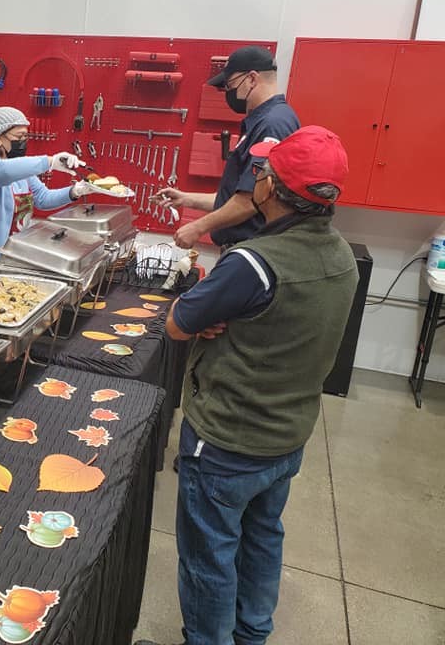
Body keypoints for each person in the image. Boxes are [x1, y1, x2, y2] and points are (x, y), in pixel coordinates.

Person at [135, 126, 358, 645]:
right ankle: (251, 634)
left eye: (262, 171)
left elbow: (177, 323)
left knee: (209, 555)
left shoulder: (253, 264)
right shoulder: (341, 256)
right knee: (262, 539)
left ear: (273, 190)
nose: (255, 177)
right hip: (286, 434)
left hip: (228, 439)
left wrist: (211, 315)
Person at [156, 45, 300, 250]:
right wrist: (187, 199)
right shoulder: (264, 120)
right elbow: (235, 197)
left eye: (230, 85)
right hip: (245, 248)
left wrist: (197, 227)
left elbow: (250, 200)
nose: (227, 92)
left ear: (251, 79)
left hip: (251, 249)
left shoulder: (272, 125)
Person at [0, 106, 90, 279]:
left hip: (13, 253)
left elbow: (43, 199)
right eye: (19, 136)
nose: (23, 141)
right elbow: (2, 172)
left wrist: (74, 191)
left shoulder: (19, 167)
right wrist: (50, 162)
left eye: (26, 136)